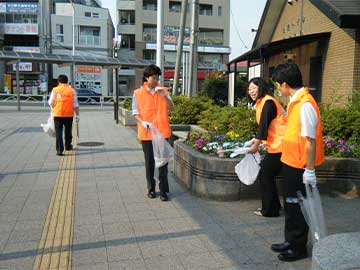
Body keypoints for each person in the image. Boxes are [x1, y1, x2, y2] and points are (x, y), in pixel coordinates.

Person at [270, 62, 324, 262]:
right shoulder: (295, 102)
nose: (277, 88)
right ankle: (290, 240)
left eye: (277, 84)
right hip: (291, 162)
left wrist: (310, 170)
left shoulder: (305, 105)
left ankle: (298, 247)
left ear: (285, 84)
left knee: (298, 206)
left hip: (301, 166)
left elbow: (309, 140)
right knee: (291, 204)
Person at [132, 65, 174, 201]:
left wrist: (165, 97)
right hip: (147, 133)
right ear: (146, 77)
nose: (156, 80)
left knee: (163, 163)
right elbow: (135, 112)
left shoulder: (164, 91)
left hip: (162, 132)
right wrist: (142, 122)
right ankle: (151, 189)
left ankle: (163, 191)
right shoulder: (138, 93)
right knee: (149, 163)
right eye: (153, 78)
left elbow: (172, 108)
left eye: (157, 78)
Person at [246, 77, 287, 217]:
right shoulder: (262, 102)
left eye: (254, 88)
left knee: (265, 174)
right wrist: (255, 140)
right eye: (249, 89)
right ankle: (274, 207)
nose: (251, 91)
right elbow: (267, 127)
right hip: (277, 145)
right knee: (267, 175)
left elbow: (263, 127)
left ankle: (270, 210)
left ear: (261, 87)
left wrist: (256, 145)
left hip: (281, 145)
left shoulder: (268, 102)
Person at [48, 75, 80, 156]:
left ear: (59, 82)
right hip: (69, 115)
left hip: (58, 114)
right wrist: (77, 115)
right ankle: (68, 146)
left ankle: (59, 150)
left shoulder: (55, 90)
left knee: (59, 132)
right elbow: (75, 104)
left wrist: (53, 110)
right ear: (67, 81)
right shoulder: (72, 91)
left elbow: (50, 102)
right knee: (68, 131)